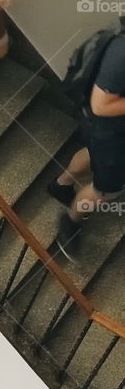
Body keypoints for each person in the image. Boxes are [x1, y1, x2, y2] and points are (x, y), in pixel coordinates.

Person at [48, 33, 125, 258]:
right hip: (110, 131)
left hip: (101, 129)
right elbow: (101, 105)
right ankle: (71, 220)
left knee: (92, 153)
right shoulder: (121, 53)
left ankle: (61, 185)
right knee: (106, 189)